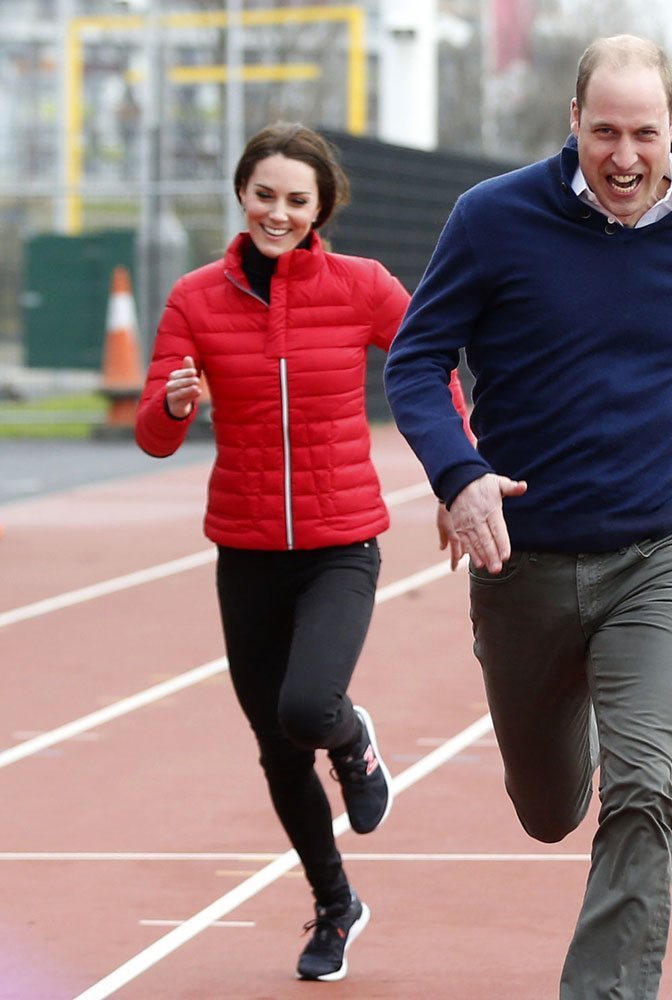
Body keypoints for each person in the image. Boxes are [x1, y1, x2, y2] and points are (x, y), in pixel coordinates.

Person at [382, 35, 672, 999]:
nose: (625, 156)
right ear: (574, 125)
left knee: (644, 791)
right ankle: (566, 715)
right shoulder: (492, 219)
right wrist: (458, 476)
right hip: (524, 565)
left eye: (644, 131)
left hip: (655, 559)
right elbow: (416, 363)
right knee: (549, 812)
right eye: (605, 132)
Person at [136, 122, 439, 982]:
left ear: (320, 209)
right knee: (276, 750)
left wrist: (460, 473)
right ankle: (335, 906)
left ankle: (356, 742)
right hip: (247, 551)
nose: (278, 212)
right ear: (243, 195)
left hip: (342, 542)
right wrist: (175, 403)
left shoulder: (363, 286)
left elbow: (425, 366)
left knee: (309, 706)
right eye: (264, 194)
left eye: (296, 200)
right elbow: (154, 434)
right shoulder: (196, 298)